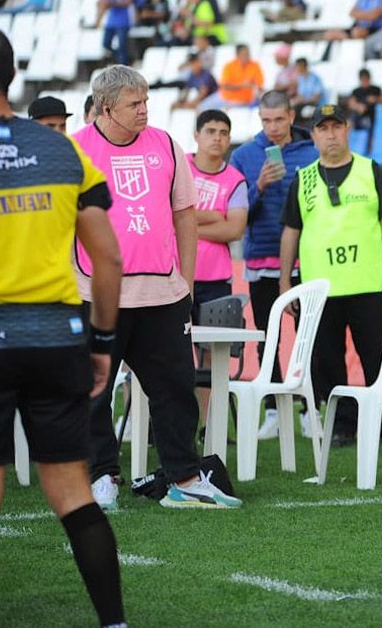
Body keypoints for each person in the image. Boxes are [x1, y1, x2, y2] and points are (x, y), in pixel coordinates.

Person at [0, 22, 126, 628]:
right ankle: (115, 622)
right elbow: (109, 258)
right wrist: (101, 340)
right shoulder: (62, 149)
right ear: (14, 76)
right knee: (73, 492)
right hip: (57, 337)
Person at [75, 65, 242, 511]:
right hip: (96, 296)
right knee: (93, 392)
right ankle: (102, 475)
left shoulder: (167, 144)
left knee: (175, 389)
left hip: (162, 296)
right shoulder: (74, 150)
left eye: (147, 101)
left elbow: (185, 213)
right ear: (106, 107)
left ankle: (185, 479)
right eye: (135, 104)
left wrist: (185, 282)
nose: (145, 110)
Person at [278, 103, 382, 446]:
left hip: (368, 284)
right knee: (327, 361)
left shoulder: (369, 170)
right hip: (320, 289)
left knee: (377, 357)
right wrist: (285, 282)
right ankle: (342, 424)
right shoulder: (303, 179)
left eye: (336, 127)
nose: (331, 134)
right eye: (323, 129)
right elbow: (291, 231)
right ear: (314, 135)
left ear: (347, 130)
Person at [229, 90, 319, 438]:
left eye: (279, 119)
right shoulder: (244, 155)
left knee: (308, 337)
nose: (273, 127)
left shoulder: (312, 152)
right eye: (266, 121)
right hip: (260, 255)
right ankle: (273, 408)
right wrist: (259, 186)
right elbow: (237, 214)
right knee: (268, 337)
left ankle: (311, 408)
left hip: (306, 259)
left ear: (291, 116)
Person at [188, 109, 248, 321]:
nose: (217, 137)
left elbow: (235, 230)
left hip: (216, 279)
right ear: (196, 135)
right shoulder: (179, 168)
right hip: (176, 277)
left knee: (214, 350)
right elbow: (165, 214)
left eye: (223, 133)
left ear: (229, 139)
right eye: (210, 131)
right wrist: (214, 216)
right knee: (174, 351)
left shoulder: (236, 180)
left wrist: (186, 226)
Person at [95, 0, 141, 65]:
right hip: (112, 19)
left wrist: (112, 2)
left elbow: (129, 0)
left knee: (122, 46)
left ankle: (123, 66)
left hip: (123, 19)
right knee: (106, 44)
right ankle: (127, 59)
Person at [200, 44, 264, 109]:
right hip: (224, 96)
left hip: (243, 100)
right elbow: (224, 85)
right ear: (237, 55)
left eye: (248, 54)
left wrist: (251, 87)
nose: (247, 56)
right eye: (244, 54)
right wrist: (242, 85)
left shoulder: (255, 65)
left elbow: (259, 85)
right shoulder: (229, 66)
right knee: (202, 107)